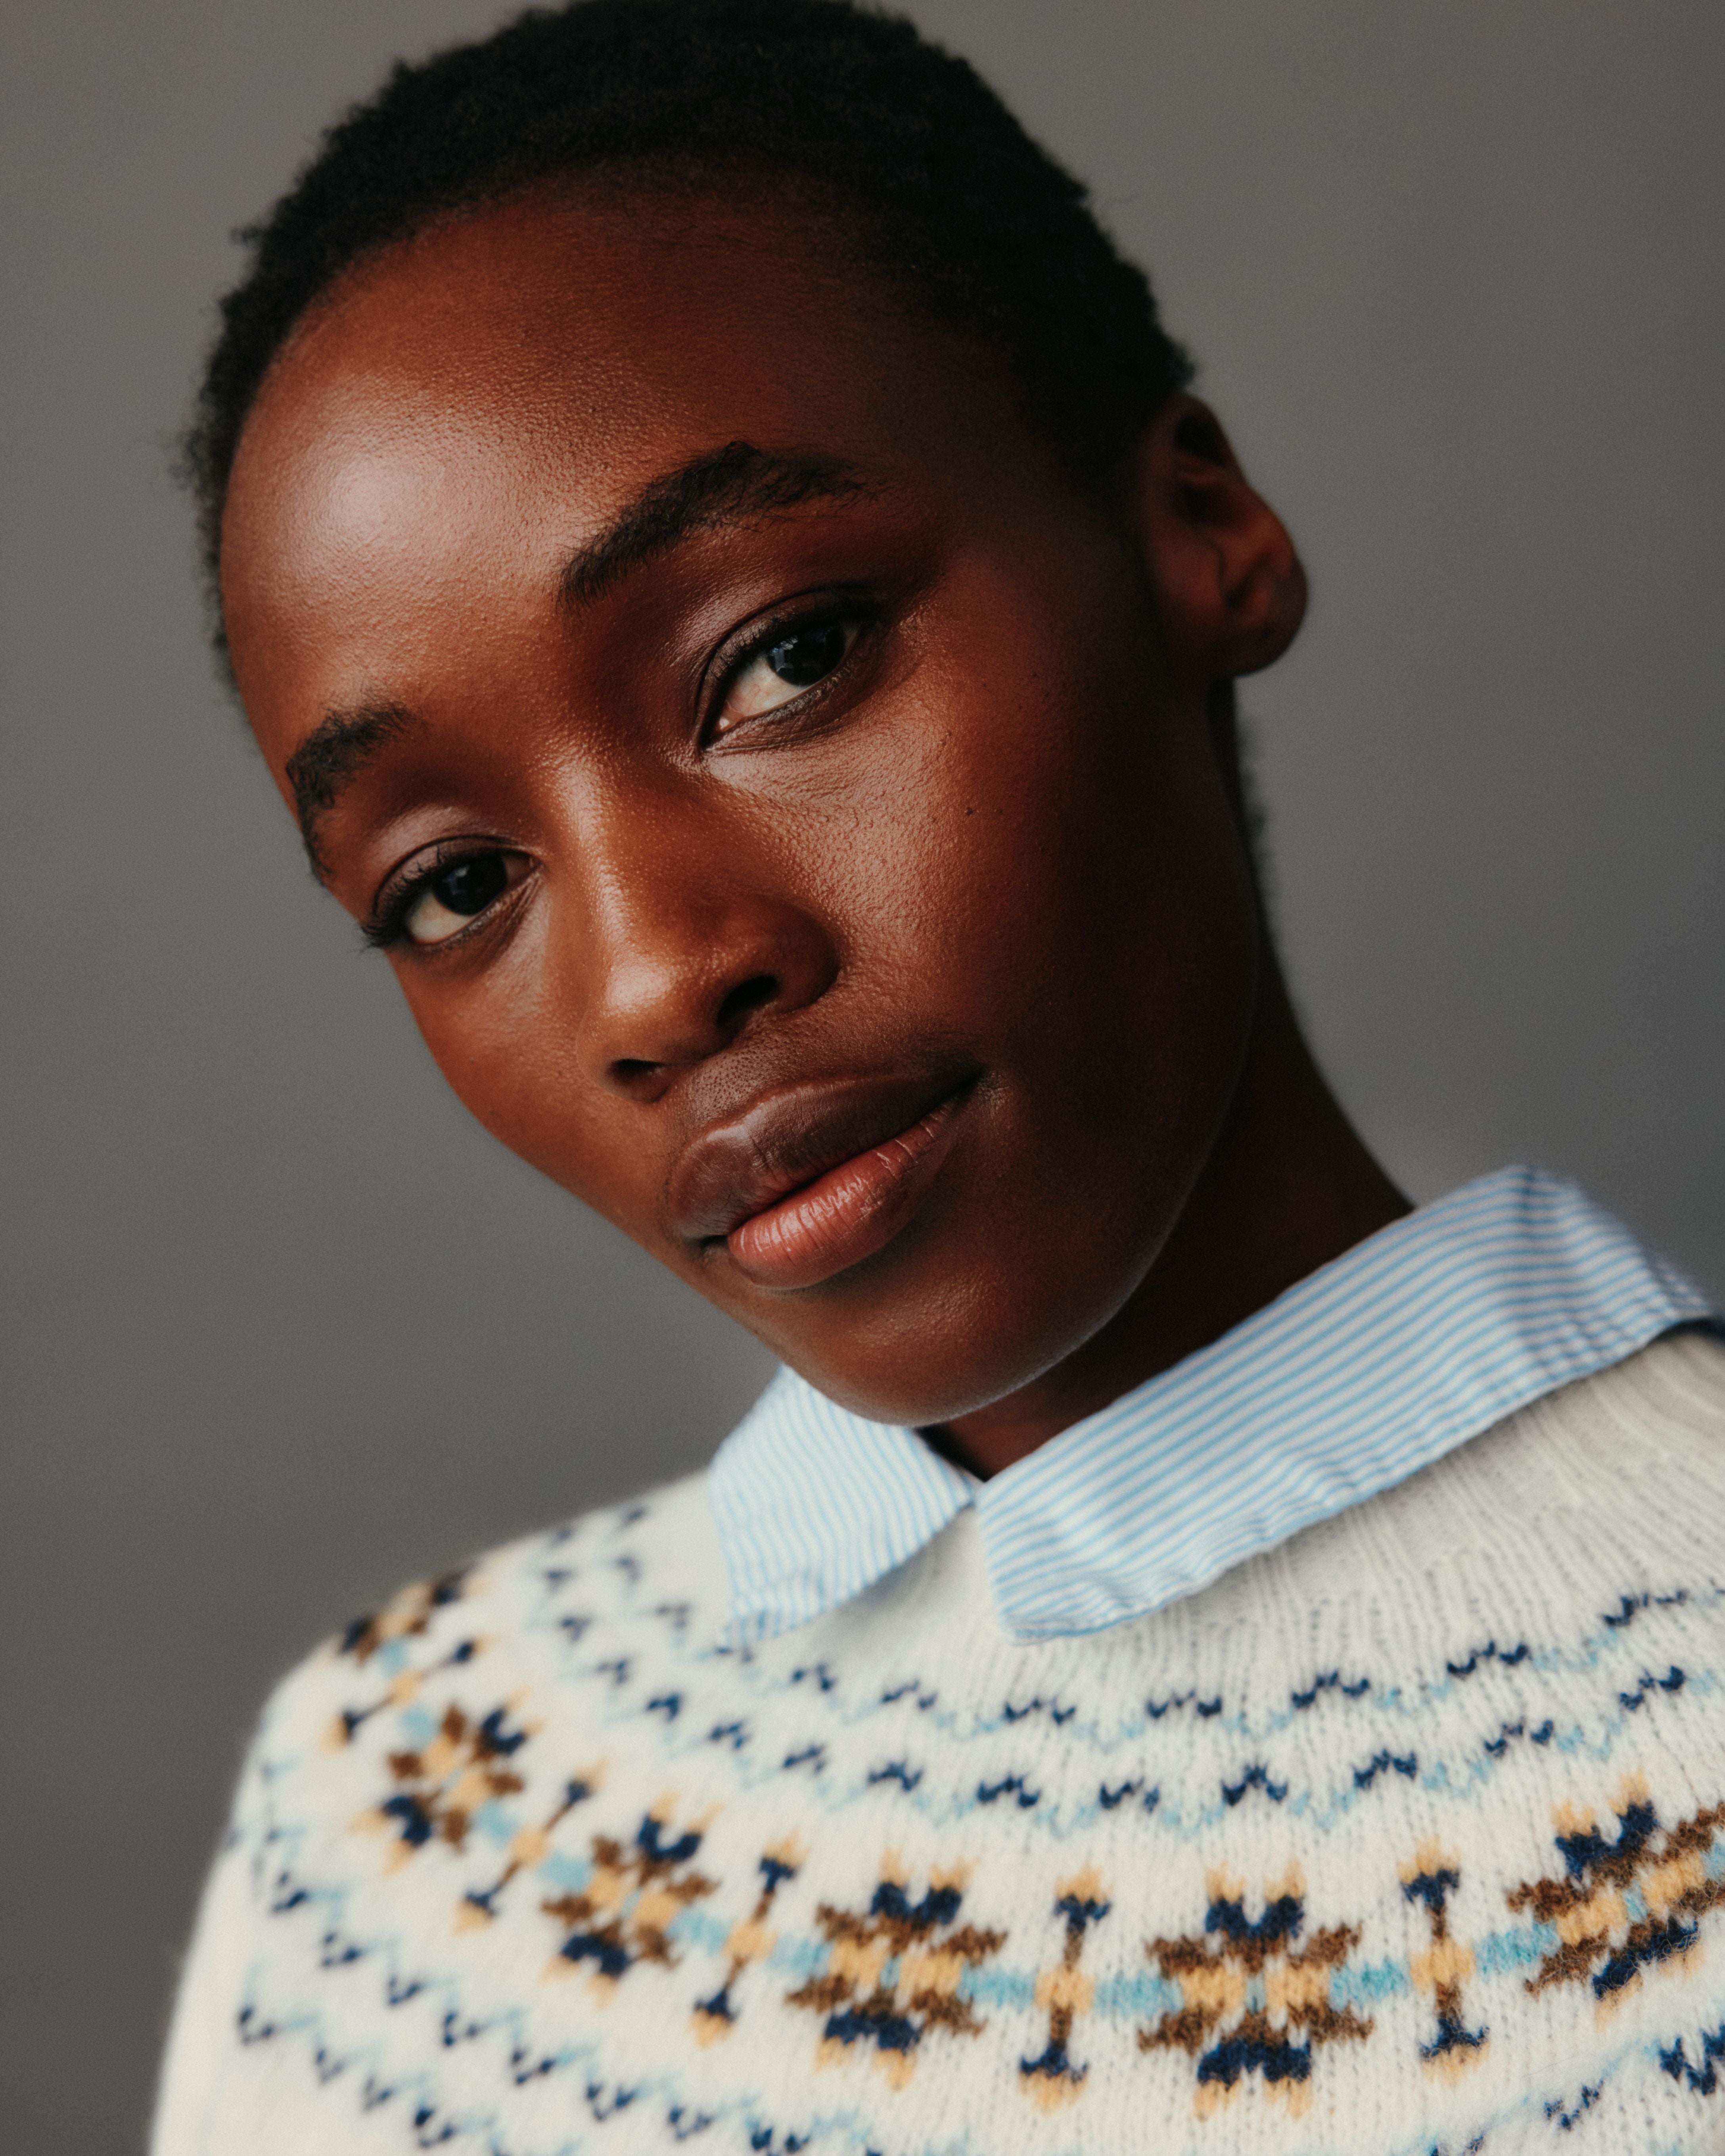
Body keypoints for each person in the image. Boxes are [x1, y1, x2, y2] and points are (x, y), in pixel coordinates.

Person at [151, 1, 1725, 2149]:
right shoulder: (406, 1800)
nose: (653, 976)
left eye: (784, 660)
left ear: (1198, 533)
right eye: (451, 885)